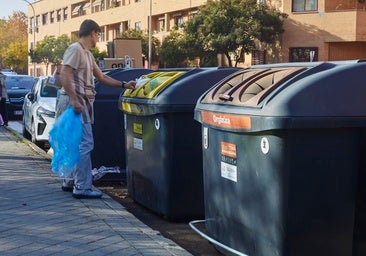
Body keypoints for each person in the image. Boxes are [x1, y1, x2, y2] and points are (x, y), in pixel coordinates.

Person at [58, 19, 136, 199]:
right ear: (92, 33)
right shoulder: (75, 49)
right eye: (98, 35)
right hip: (77, 101)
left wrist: (125, 84)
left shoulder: (87, 54)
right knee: (85, 143)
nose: (98, 38)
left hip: (81, 101)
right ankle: (82, 186)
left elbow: (101, 78)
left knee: (74, 142)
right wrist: (75, 100)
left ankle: (70, 180)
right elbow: (65, 74)